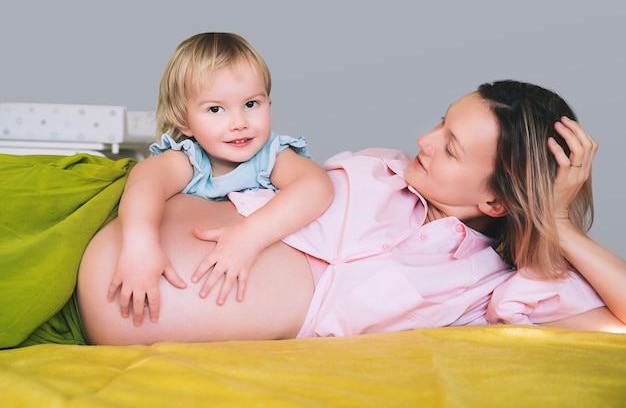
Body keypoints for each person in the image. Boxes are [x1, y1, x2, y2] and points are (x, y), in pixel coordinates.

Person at [77, 80, 626, 345]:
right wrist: (141, 238)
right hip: (120, 226)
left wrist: (556, 225)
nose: (423, 140)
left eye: (451, 147)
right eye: (440, 122)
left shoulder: (483, 292)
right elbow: (185, 164)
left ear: (496, 201)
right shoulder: (376, 168)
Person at [106, 32, 334, 326]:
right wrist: (140, 242)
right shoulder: (190, 160)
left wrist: (249, 237)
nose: (239, 123)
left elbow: (317, 186)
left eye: (251, 104)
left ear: (269, 103)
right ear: (184, 122)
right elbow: (144, 182)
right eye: (215, 109)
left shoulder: (270, 157)